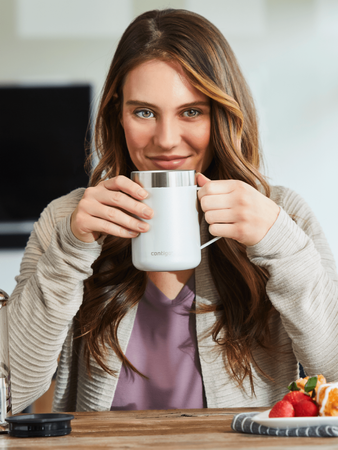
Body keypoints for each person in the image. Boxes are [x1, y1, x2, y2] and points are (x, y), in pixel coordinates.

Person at [8, 9, 338, 414]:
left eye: (191, 112)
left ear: (223, 116)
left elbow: (334, 373)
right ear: (118, 114)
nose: (166, 141)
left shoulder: (280, 214)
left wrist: (281, 244)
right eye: (144, 112)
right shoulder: (69, 220)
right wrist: (70, 251)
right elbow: (11, 393)